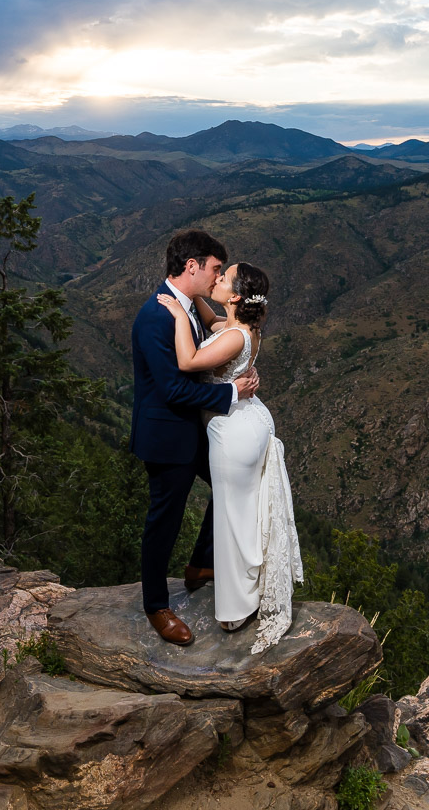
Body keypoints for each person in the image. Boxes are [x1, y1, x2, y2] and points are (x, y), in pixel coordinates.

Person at [157, 261, 303, 654]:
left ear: (237, 296)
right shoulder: (241, 328)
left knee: (232, 516)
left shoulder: (233, 336)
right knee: (242, 512)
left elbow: (187, 362)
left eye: (223, 277)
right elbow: (210, 314)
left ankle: (235, 610)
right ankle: (246, 589)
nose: (217, 279)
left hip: (232, 432)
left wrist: (175, 315)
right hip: (250, 421)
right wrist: (191, 294)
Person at [131, 230, 258, 646]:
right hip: (168, 437)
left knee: (231, 486)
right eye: (215, 269)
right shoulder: (156, 316)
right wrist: (231, 392)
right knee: (163, 522)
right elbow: (172, 389)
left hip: (195, 431)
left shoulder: (187, 306)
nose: (218, 276)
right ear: (192, 266)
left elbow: (220, 336)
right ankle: (156, 606)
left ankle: (201, 564)